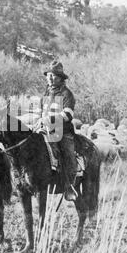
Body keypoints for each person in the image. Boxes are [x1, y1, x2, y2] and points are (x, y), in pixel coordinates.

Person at [39, 60, 78, 201]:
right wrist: (38, 121)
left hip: (62, 132)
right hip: (44, 130)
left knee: (68, 156)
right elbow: (40, 112)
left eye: (54, 76)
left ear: (61, 78)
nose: (50, 78)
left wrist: (51, 120)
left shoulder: (67, 94)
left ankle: (69, 187)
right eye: (48, 75)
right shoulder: (45, 93)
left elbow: (67, 115)